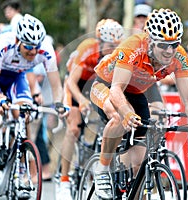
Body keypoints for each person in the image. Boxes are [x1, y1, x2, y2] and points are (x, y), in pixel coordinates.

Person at [90, 8, 188, 199]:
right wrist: (126, 113)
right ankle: (102, 169)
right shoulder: (132, 47)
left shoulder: (179, 56)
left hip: (136, 90)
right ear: (151, 41)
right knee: (118, 115)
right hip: (107, 84)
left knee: (139, 161)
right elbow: (116, 90)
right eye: (163, 45)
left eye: (174, 44)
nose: (169, 51)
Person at [0, 14, 69, 198]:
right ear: (17, 40)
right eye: (28, 47)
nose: (33, 52)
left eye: (36, 47)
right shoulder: (2, 46)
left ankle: (21, 167)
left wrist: (59, 105)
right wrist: (0, 99)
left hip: (17, 77)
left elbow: (57, 86)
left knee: (25, 113)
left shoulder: (45, 50)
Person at [56, 19, 125, 200]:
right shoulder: (88, 48)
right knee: (73, 128)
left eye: (116, 46)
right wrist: (81, 101)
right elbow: (71, 82)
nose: (113, 49)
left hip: (98, 86)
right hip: (76, 86)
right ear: (100, 42)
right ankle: (64, 180)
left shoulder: (117, 55)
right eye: (110, 45)